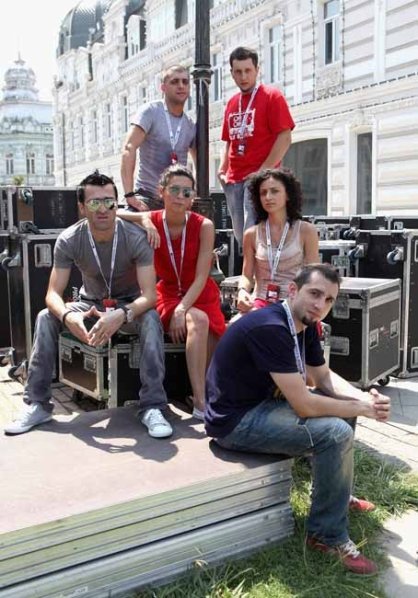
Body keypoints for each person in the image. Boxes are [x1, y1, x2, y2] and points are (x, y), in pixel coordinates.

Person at [205, 263, 391, 575]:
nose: (320, 305)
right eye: (314, 294)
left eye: (329, 299)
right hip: (235, 421)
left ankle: (335, 496)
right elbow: (304, 405)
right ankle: (326, 536)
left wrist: (363, 398)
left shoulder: (305, 324)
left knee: (342, 406)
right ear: (293, 290)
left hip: (264, 404)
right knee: (335, 432)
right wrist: (362, 409)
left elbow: (323, 379)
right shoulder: (271, 327)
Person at [4, 172, 172, 439]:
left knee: (151, 318)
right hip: (89, 304)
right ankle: (38, 404)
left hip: (129, 305)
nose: (102, 209)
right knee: (46, 317)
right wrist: (67, 316)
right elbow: (52, 294)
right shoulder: (70, 239)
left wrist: (122, 314)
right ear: (82, 207)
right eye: (94, 203)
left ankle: (152, 406)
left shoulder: (135, 237)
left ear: (117, 204)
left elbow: (150, 296)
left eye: (109, 202)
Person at [118, 164, 226, 419]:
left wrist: (181, 309)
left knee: (207, 328)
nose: (180, 197)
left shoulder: (204, 225)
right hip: (167, 293)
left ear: (193, 197)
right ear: (162, 191)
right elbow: (116, 213)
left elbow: (202, 276)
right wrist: (143, 218)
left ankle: (205, 395)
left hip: (200, 292)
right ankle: (200, 402)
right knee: (198, 320)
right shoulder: (154, 220)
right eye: (174, 190)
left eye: (187, 192)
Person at [218, 47, 295, 247]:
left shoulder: (272, 96)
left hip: (258, 178)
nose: (243, 77)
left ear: (257, 70)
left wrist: (263, 172)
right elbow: (228, 141)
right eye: (238, 71)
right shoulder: (232, 103)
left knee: (254, 236)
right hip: (233, 179)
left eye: (248, 70)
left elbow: (285, 137)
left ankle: (257, 268)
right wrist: (222, 169)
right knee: (241, 238)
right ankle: (248, 267)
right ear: (231, 73)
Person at [237, 167, 319, 313]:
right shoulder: (251, 234)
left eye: (274, 191)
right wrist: (242, 291)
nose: (268, 197)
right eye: (263, 193)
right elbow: (246, 275)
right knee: (235, 325)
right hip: (260, 301)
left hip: (295, 303)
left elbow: (314, 275)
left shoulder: (306, 231)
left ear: (288, 195)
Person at [121, 65, 196, 211]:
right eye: (174, 82)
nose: (181, 86)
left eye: (185, 82)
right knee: (127, 222)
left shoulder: (190, 125)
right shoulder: (150, 112)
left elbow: (199, 163)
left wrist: (192, 195)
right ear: (163, 87)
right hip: (147, 197)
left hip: (177, 199)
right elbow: (129, 148)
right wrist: (129, 194)